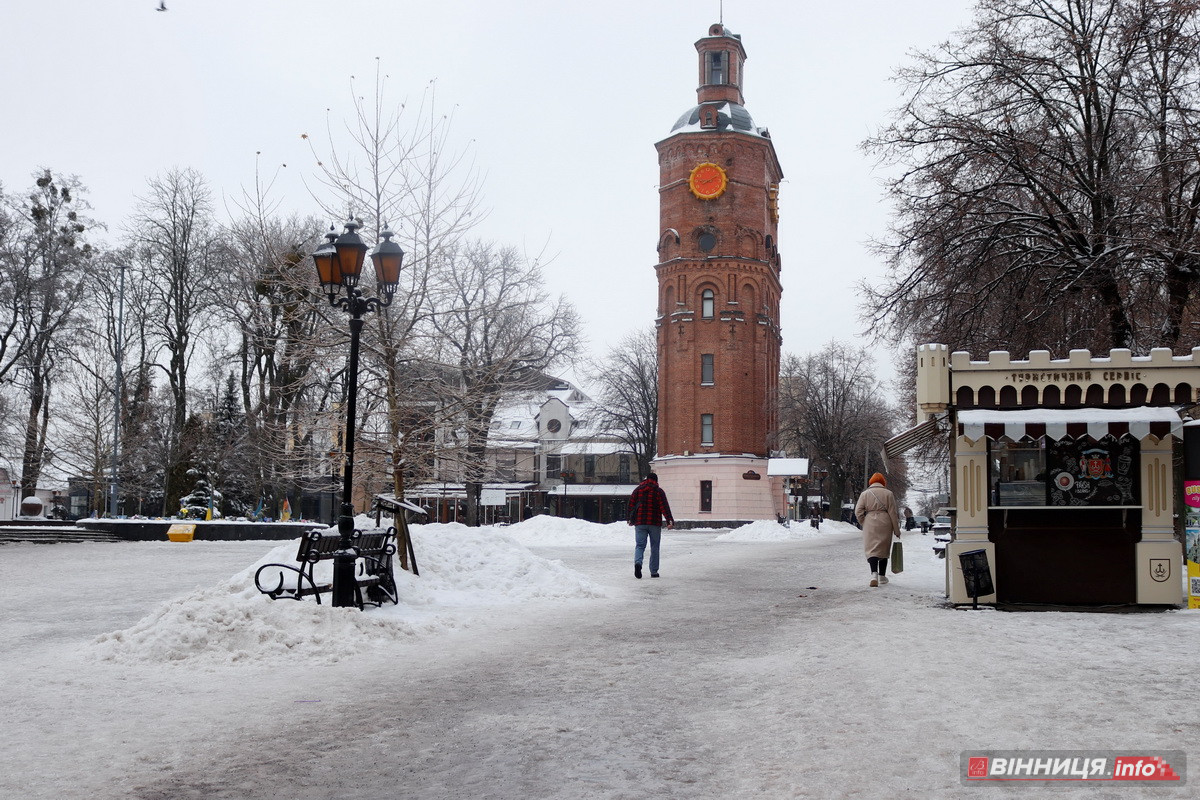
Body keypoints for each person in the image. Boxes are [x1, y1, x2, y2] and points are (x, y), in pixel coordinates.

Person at [854, 472, 902, 588]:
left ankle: (873, 574)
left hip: (870, 522)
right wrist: (896, 530)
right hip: (886, 522)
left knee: (871, 549)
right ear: (883, 482)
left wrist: (864, 522)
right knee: (883, 549)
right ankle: (882, 576)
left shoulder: (865, 494)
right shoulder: (888, 494)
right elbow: (893, 513)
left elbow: (858, 511)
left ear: (871, 482)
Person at [627, 472, 674, 579]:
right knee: (655, 547)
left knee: (640, 545)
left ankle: (638, 563)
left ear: (646, 479)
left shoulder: (637, 490)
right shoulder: (659, 491)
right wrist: (669, 520)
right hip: (654, 523)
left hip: (640, 523)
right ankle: (654, 571)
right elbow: (664, 507)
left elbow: (631, 505)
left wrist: (629, 519)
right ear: (656, 481)